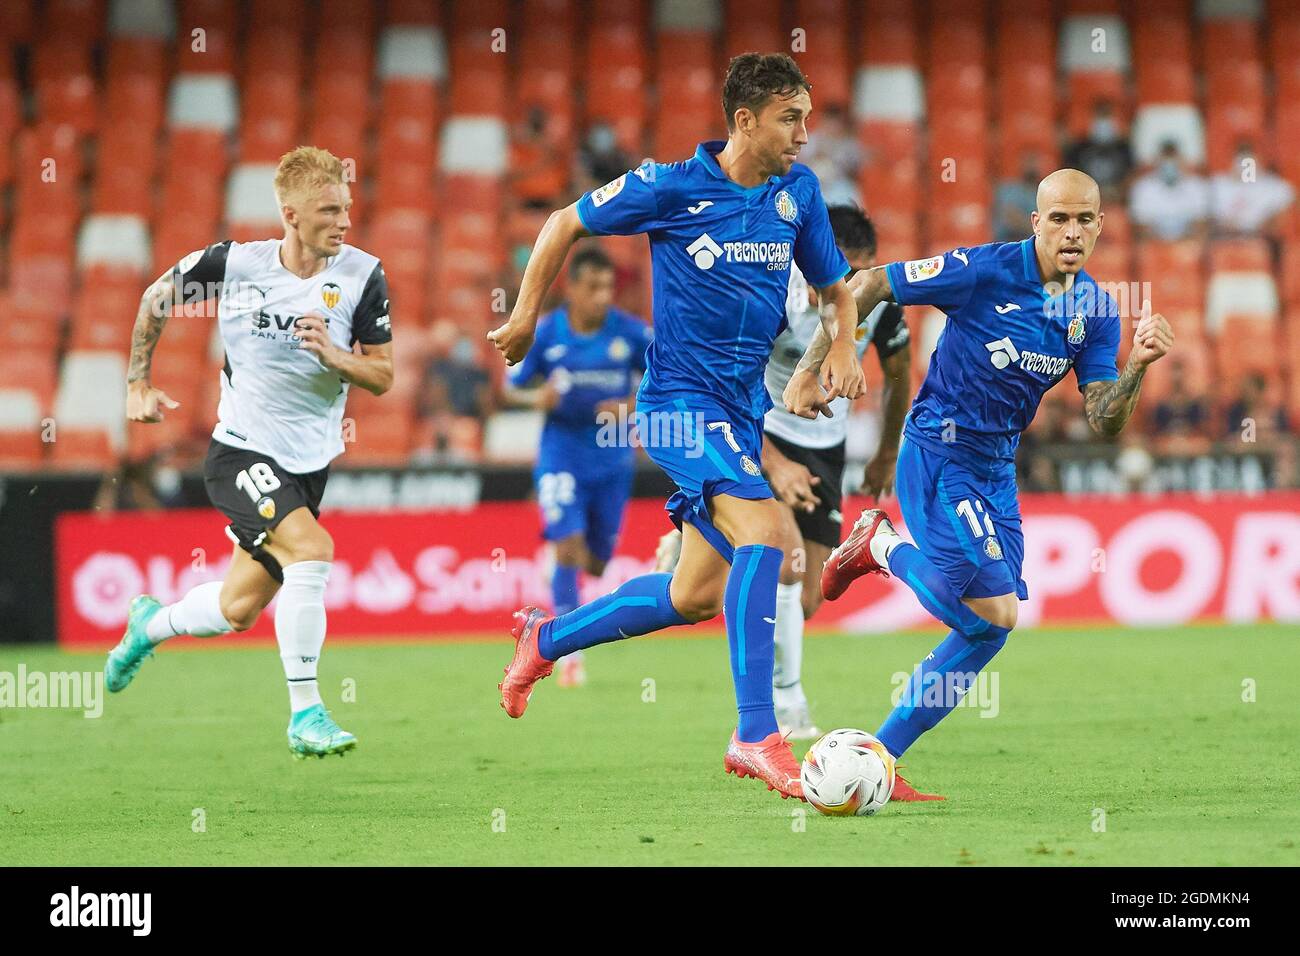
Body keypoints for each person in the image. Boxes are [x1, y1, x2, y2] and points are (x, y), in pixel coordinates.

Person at [487, 52, 865, 800]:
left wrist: (842, 347)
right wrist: (527, 313)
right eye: (790, 118)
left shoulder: (800, 193)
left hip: (738, 411)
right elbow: (564, 221)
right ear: (746, 119)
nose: (802, 133)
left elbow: (837, 291)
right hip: (674, 410)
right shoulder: (671, 186)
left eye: (807, 119)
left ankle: (545, 637)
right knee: (768, 533)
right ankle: (757, 733)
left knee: (693, 594)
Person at [787, 169, 1173, 798]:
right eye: (1059, 219)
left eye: (1084, 220)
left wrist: (1135, 367)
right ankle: (882, 546)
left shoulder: (1097, 309)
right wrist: (823, 362)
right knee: (995, 612)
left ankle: (881, 757)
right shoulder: (983, 271)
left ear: (1101, 225)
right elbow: (870, 282)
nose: (1071, 232)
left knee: (990, 627)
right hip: (939, 451)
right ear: (1036, 223)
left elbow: (1104, 419)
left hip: (997, 468)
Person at [105, 147, 394, 759]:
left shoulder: (364, 275)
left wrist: (335, 357)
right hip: (238, 453)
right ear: (290, 214)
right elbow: (158, 297)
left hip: (307, 467)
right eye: (328, 210)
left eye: (346, 208)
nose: (343, 221)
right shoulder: (236, 265)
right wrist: (137, 381)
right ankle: (306, 713)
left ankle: (146, 627)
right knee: (312, 551)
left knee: (237, 610)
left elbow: (383, 376)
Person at [655, 205, 911, 739]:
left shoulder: (879, 303)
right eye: (842, 274)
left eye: (861, 274)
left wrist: (887, 453)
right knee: (787, 566)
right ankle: (786, 706)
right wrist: (775, 461)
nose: (851, 289)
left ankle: (696, 540)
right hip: (758, 432)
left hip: (827, 446)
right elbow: (731, 383)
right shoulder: (779, 298)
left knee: (809, 595)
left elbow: (899, 377)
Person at [503, 245, 652, 688]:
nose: (603, 296)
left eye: (608, 288)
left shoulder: (631, 333)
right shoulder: (548, 333)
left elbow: (664, 382)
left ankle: (558, 570)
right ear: (572, 287)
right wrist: (538, 398)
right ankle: (567, 652)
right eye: (593, 288)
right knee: (567, 546)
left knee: (596, 564)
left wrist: (629, 405)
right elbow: (512, 388)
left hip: (612, 459)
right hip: (561, 456)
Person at [1130, 140, 1209, 241]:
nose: (1170, 164)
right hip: (1154, 247)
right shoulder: (1142, 188)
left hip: (1187, 249)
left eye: (1173, 159)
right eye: (1165, 159)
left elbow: (1201, 225)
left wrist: (1178, 245)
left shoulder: (1197, 187)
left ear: (1182, 160)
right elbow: (1141, 229)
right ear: (1156, 161)